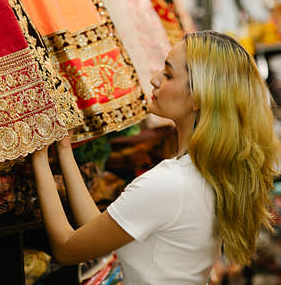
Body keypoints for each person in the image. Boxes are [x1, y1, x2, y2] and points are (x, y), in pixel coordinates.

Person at [31, 31, 280, 284]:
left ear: (199, 97)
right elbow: (99, 230)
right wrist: (64, 150)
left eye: (169, 74)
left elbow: (65, 248)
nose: (155, 79)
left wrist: (38, 155)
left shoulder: (168, 184)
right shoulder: (207, 174)